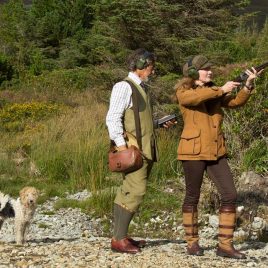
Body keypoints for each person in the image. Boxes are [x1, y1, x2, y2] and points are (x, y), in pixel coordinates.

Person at [175, 55, 263, 259]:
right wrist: (221, 89)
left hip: (216, 151)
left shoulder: (214, 91)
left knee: (230, 195)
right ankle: (192, 243)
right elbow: (193, 98)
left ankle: (225, 246)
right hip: (193, 151)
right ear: (193, 73)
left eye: (209, 68)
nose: (210, 71)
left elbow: (235, 102)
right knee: (192, 197)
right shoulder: (184, 91)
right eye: (205, 69)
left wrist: (247, 86)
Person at [106, 48, 174, 254]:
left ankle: (120, 236)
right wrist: (122, 146)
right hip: (134, 150)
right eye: (151, 67)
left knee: (127, 190)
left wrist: (158, 124)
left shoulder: (140, 87)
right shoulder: (123, 87)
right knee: (136, 191)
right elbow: (112, 118)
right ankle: (118, 240)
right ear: (142, 67)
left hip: (143, 148)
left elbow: (137, 120)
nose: (153, 71)